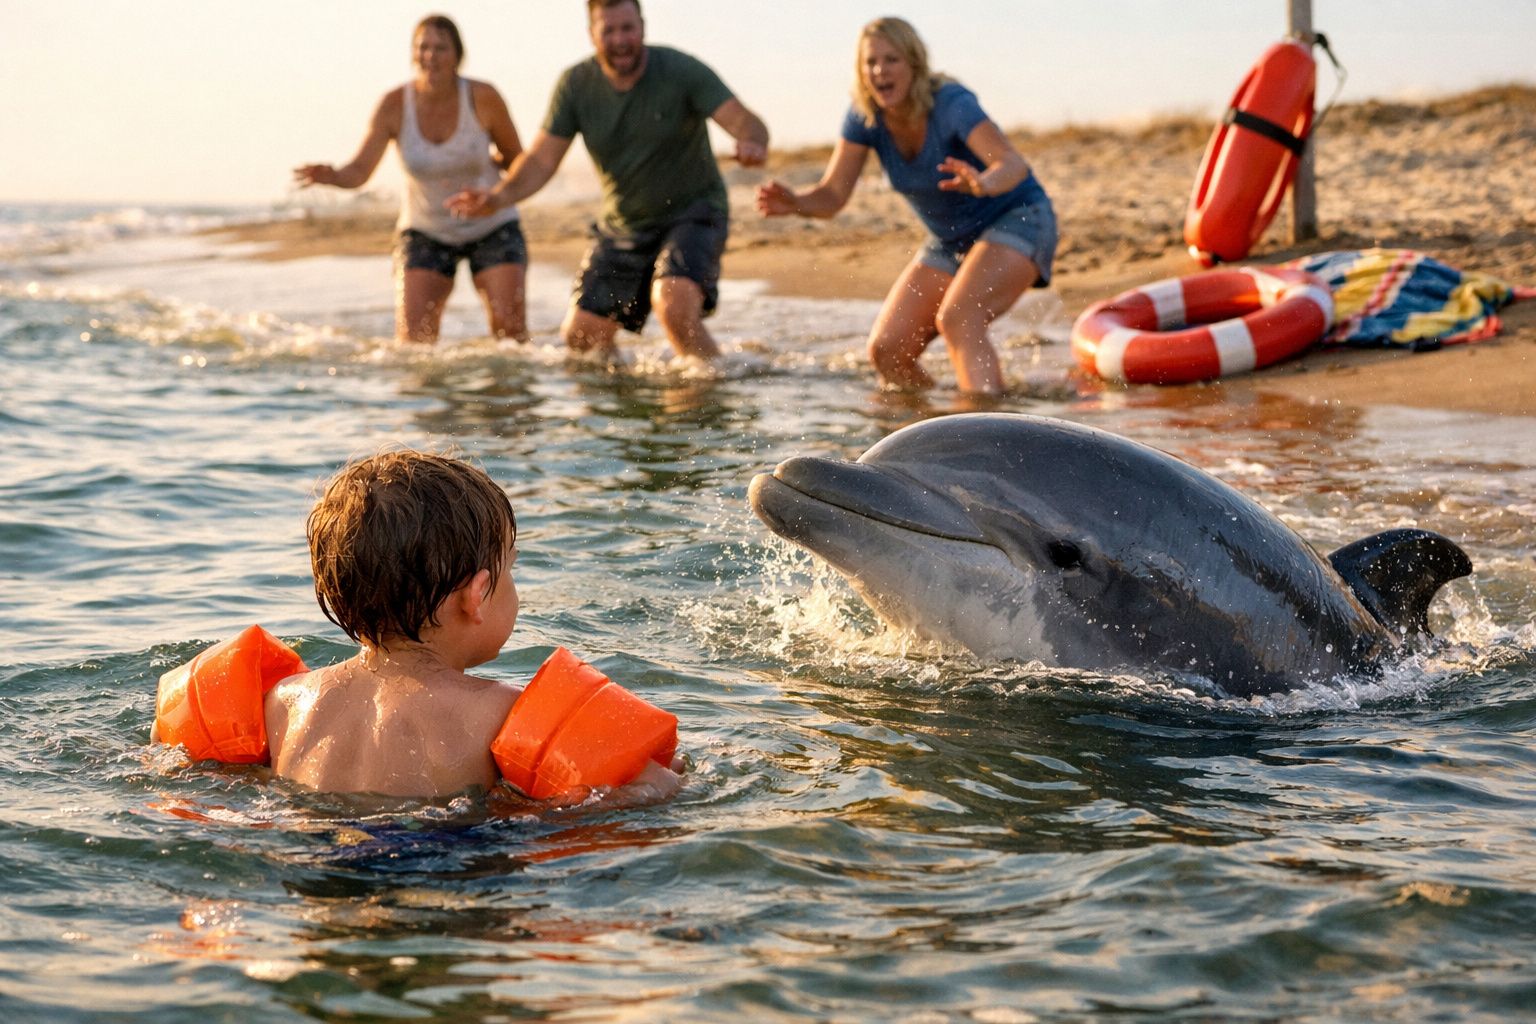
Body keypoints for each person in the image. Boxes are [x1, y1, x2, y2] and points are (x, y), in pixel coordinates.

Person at [262, 450, 684, 801]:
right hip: (446, 863)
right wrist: (653, 783)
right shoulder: (500, 714)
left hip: (317, 856)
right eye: (511, 571)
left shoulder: (285, 703)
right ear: (477, 595)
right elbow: (591, 802)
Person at [448, 0, 769, 364]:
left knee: (674, 305)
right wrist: (496, 198)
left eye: (627, 28)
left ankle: (713, 391)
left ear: (643, 28)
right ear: (592, 35)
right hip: (624, 226)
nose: (620, 40)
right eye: (609, 30)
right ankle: (630, 405)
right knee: (582, 338)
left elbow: (746, 121)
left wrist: (753, 142)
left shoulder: (680, 70)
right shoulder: (576, 85)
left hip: (692, 212)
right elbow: (540, 159)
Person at [755, 17, 1058, 394]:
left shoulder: (951, 104)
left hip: (1018, 217)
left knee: (960, 317)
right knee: (888, 351)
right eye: (871, 62)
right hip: (950, 241)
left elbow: (1011, 164)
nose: (880, 70)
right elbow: (833, 195)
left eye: (891, 59)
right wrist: (797, 202)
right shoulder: (864, 116)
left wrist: (982, 183)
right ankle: (928, 435)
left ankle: (988, 435)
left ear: (914, 63)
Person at [293, 14, 530, 344]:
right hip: (425, 230)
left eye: (441, 48)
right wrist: (333, 176)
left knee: (511, 338)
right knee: (413, 345)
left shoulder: (483, 97)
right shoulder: (393, 105)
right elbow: (360, 171)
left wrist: (492, 187)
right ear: (413, 53)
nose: (430, 56)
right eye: (423, 47)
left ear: (457, 55)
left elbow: (518, 160)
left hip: (491, 224)